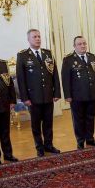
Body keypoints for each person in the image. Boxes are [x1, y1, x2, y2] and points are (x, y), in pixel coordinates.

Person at [16, 29, 61, 157]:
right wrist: (25, 98)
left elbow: (54, 74)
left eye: (39, 36)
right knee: (36, 125)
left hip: (48, 95)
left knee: (48, 123)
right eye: (34, 37)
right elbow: (21, 79)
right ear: (28, 39)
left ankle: (49, 145)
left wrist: (56, 92)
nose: (37, 39)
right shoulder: (23, 55)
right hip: (33, 97)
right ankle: (39, 147)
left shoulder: (48, 53)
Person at [61, 36, 95, 150]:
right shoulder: (68, 59)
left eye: (84, 43)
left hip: (92, 93)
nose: (83, 46)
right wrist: (67, 95)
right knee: (78, 119)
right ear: (74, 46)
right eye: (79, 44)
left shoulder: (92, 56)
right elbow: (65, 79)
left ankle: (90, 139)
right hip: (77, 96)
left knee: (90, 117)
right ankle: (80, 141)